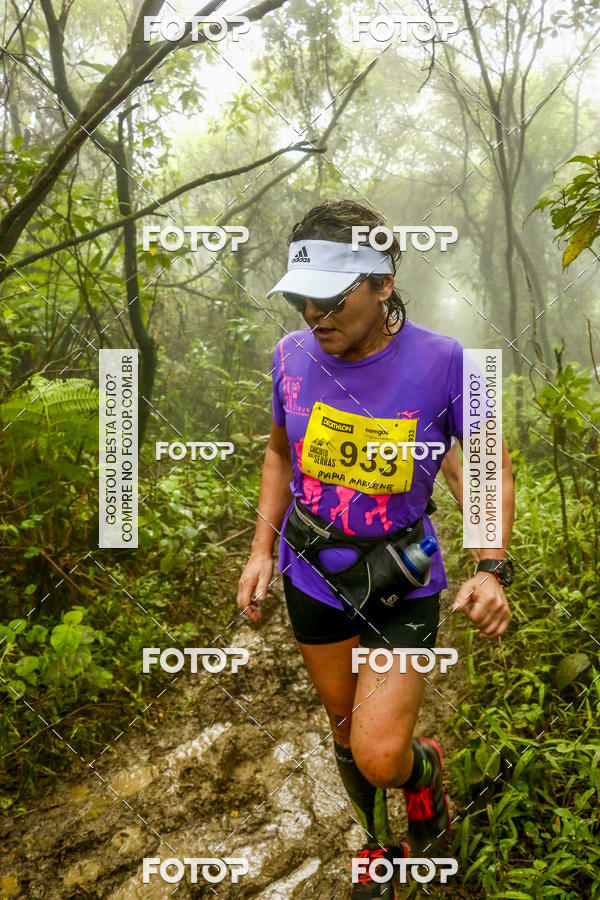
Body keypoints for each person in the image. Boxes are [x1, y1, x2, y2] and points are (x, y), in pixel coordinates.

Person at [237, 199, 514, 898]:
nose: (312, 314)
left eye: (331, 296)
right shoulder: (289, 357)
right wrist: (260, 549)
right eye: (301, 297)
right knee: (342, 734)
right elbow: (278, 454)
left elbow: (483, 465)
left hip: (403, 574)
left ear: (383, 283)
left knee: (380, 752)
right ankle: (377, 847)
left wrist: (490, 565)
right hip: (313, 569)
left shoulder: (449, 362)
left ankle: (423, 776)